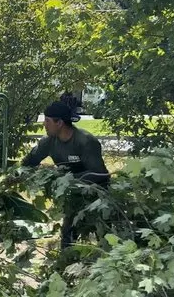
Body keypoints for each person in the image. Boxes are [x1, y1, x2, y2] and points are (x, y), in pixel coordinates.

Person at [22, 100, 110, 249]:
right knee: (68, 232)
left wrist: (66, 179)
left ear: (60, 123)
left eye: (47, 121)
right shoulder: (48, 141)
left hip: (97, 193)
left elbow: (100, 174)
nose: (44, 125)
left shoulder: (85, 141)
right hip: (70, 193)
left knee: (104, 234)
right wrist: (19, 176)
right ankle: (67, 261)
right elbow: (29, 162)